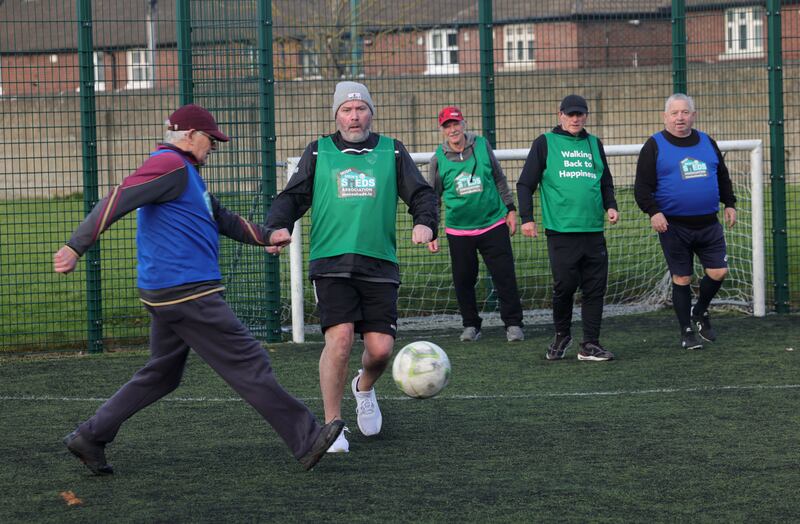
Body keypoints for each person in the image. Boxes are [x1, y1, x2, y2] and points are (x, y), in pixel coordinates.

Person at [53, 103, 344, 475]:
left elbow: (221, 218)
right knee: (249, 362)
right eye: (211, 139)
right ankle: (306, 439)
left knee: (163, 373)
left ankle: (91, 436)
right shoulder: (168, 165)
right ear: (189, 136)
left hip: (170, 291)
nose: (214, 147)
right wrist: (75, 246)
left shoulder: (186, 173)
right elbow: (118, 197)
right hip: (187, 291)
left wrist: (268, 235)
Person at [264, 82, 438, 453]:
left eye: (360, 108)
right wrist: (277, 227)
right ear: (336, 115)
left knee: (380, 350)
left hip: (379, 262)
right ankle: (332, 427)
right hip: (331, 261)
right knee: (340, 341)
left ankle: (364, 387)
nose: (354, 116)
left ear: (371, 113)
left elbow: (421, 193)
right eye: (346, 109)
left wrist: (425, 221)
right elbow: (292, 198)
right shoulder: (319, 151)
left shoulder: (392, 151)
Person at [517, 94, 619, 362]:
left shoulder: (594, 144)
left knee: (595, 288)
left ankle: (590, 345)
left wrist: (611, 205)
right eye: (570, 114)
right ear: (560, 114)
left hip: (593, 230)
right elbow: (525, 184)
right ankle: (562, 334)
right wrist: (527, 217)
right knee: (565, 286)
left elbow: (605, 181)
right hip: (561, 231)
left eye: (580, 114)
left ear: (585, 116)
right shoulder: (545, 143)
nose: (575, 119)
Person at [634, 93, 736, 350]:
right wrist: (653, 212)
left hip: (708, 224)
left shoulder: (707, 142)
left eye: (685, 112)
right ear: (665, 117)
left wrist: (730, 203)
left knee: (719, 272)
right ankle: (686, 331)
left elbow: (722, 176)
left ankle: (699, 311)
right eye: (674, 113)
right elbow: (642, 188)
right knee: (682, 278)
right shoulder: (654, 145)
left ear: (693, 115)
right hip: (673, 226)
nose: (680, 117)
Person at [426, 106, 524, 343]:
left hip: (493, 224)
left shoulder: (482, 145)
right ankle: (471, 325)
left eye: (456, 124)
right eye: (447, 126)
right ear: (442, 130)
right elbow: (433, 198)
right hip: (459, 231)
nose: (453, 129)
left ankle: (513, 324)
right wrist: (432, 230)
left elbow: (499, 178)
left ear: (464, 124)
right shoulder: (437, 160)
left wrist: (510, 209)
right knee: (463, 280)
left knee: (505, 276)